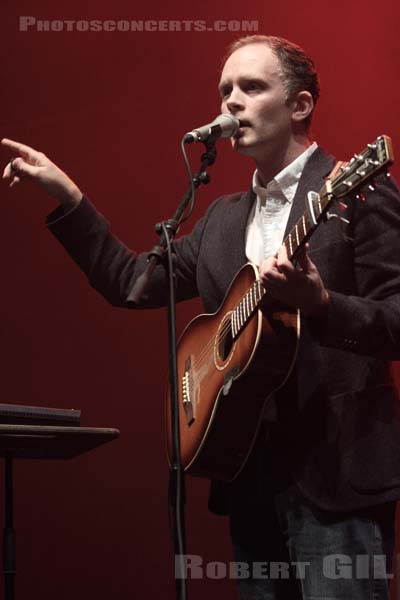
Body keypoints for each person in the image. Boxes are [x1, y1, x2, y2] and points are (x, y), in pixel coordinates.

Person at [3, 35, 400, 599]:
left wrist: (324, 305)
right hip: (249, 478)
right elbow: (134, 281)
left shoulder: (357, 193)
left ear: (300, 105)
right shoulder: (219, 219)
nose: (230, 103)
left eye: (251, 87)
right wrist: (69, 199)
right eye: (225, 91)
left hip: (338, 477)